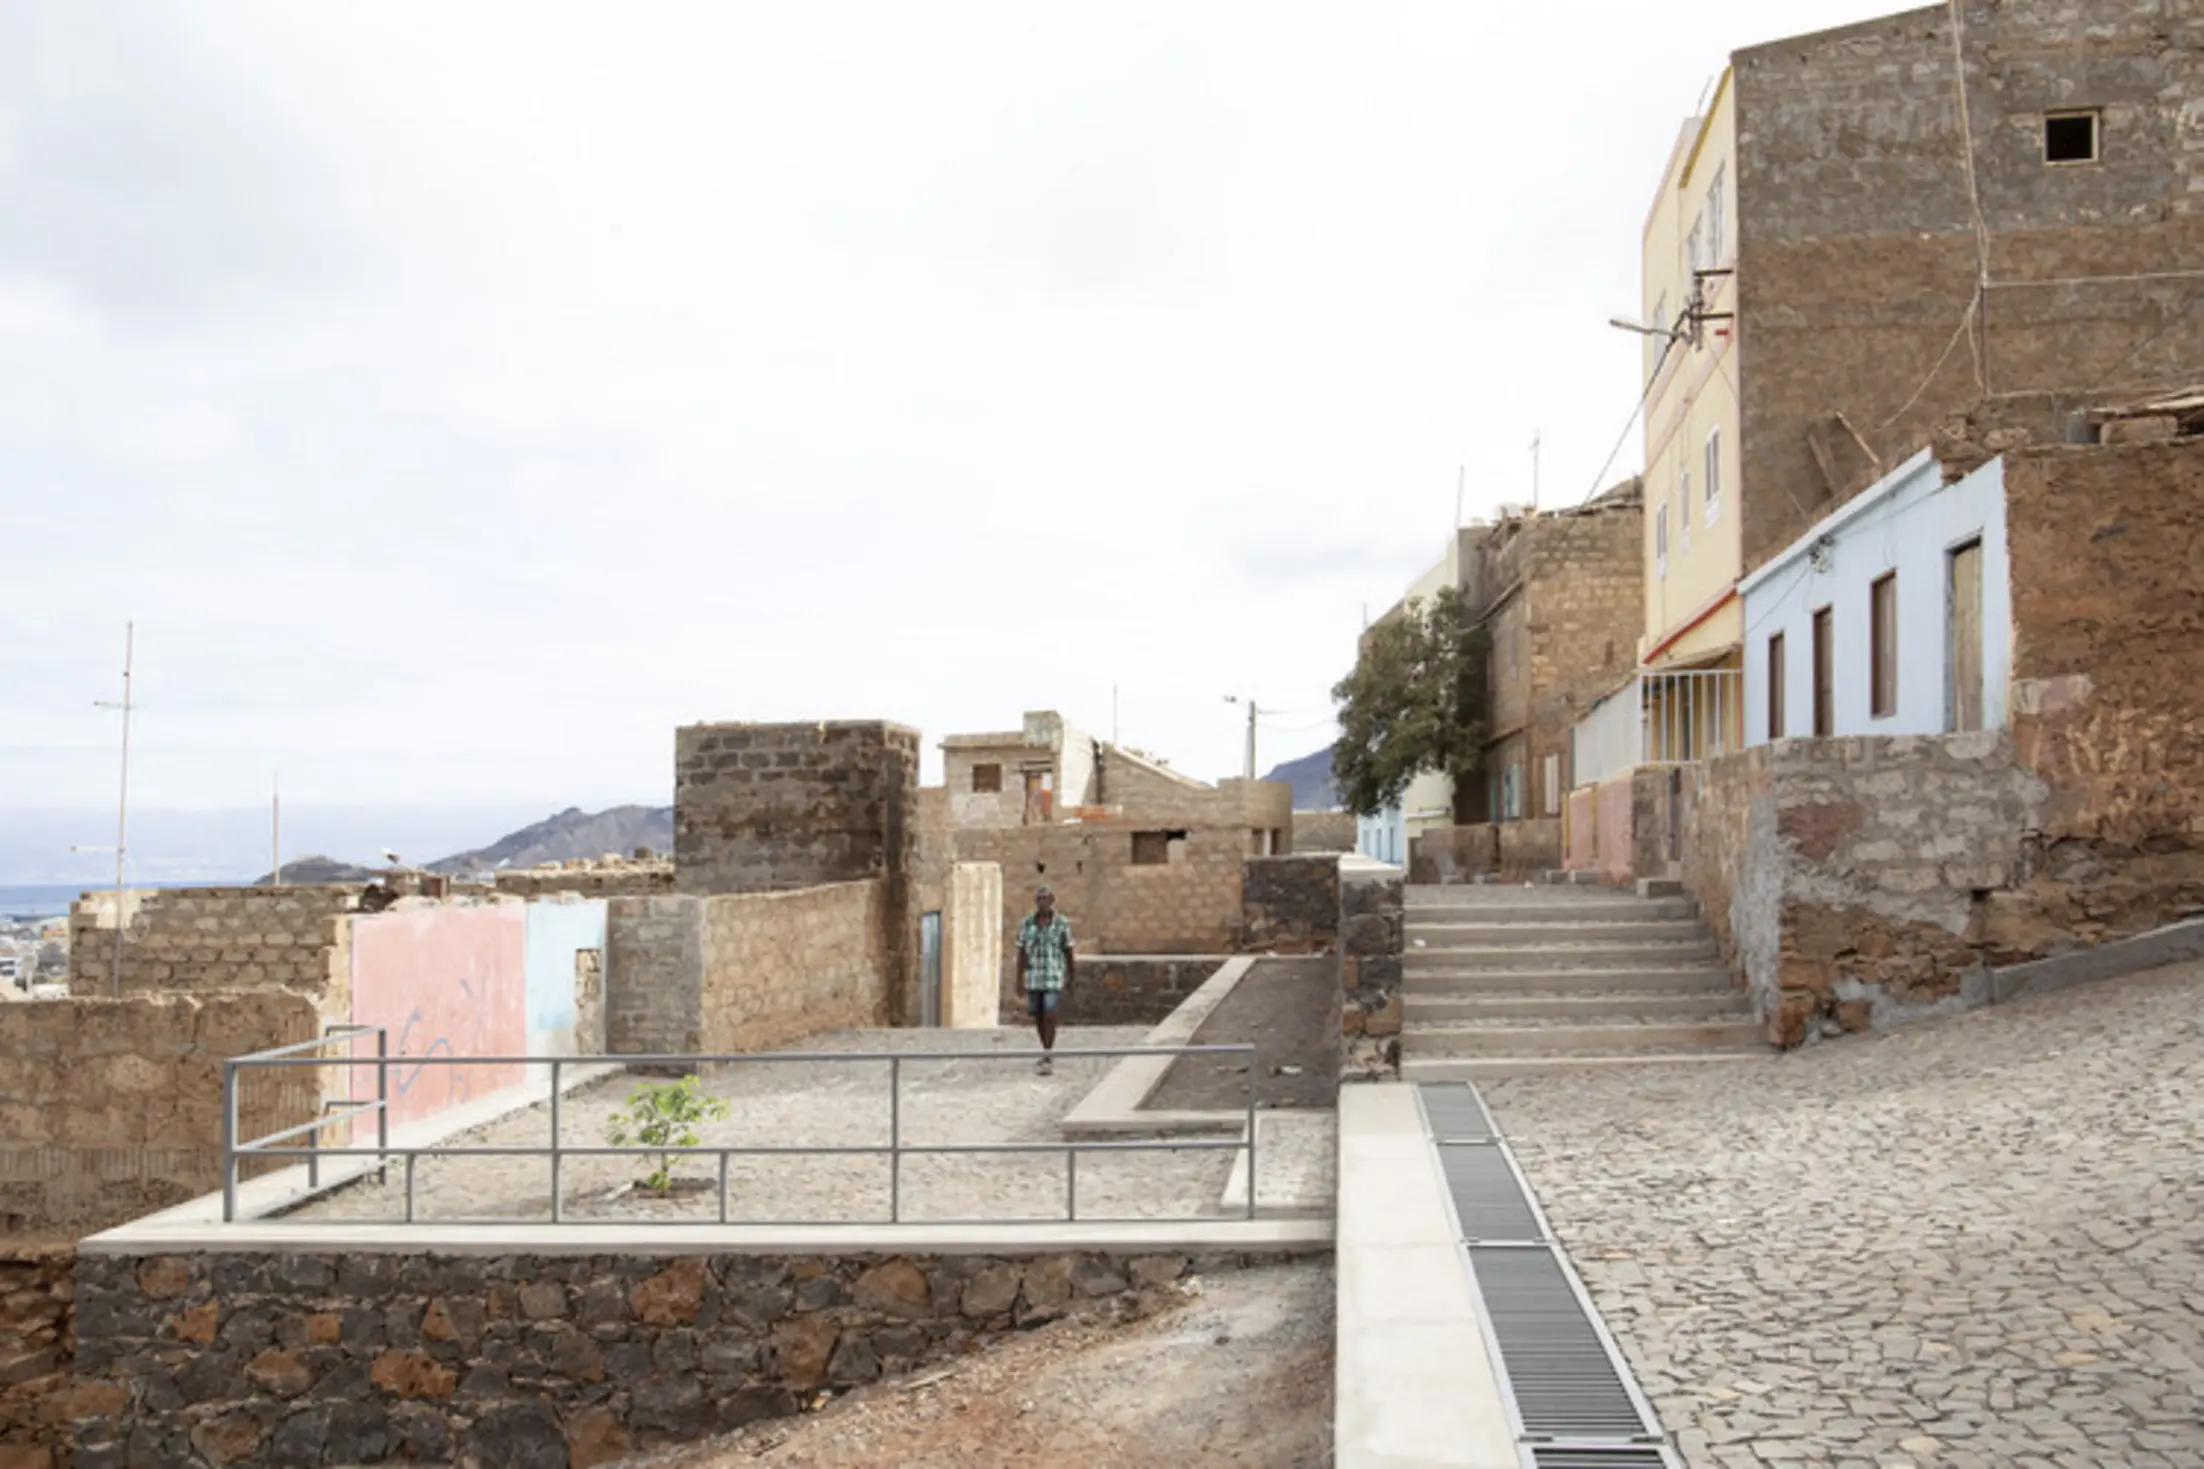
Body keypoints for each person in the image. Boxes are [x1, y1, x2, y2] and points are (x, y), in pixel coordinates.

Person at [1015, 885, 1075, 1075]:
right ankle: (1045, 1049)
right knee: (1038, 1014)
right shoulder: (1027, 924)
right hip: (1034, 976)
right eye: (1039, 898)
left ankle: (1048, 1053)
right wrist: (1019, 979)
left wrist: (1071, 976)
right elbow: (1021, 951)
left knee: (1050, 1011)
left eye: (1045, 898)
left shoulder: (1062, 923)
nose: (1042, 902)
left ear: (1051, 900)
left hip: (1053, 975)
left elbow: (1068, 949)